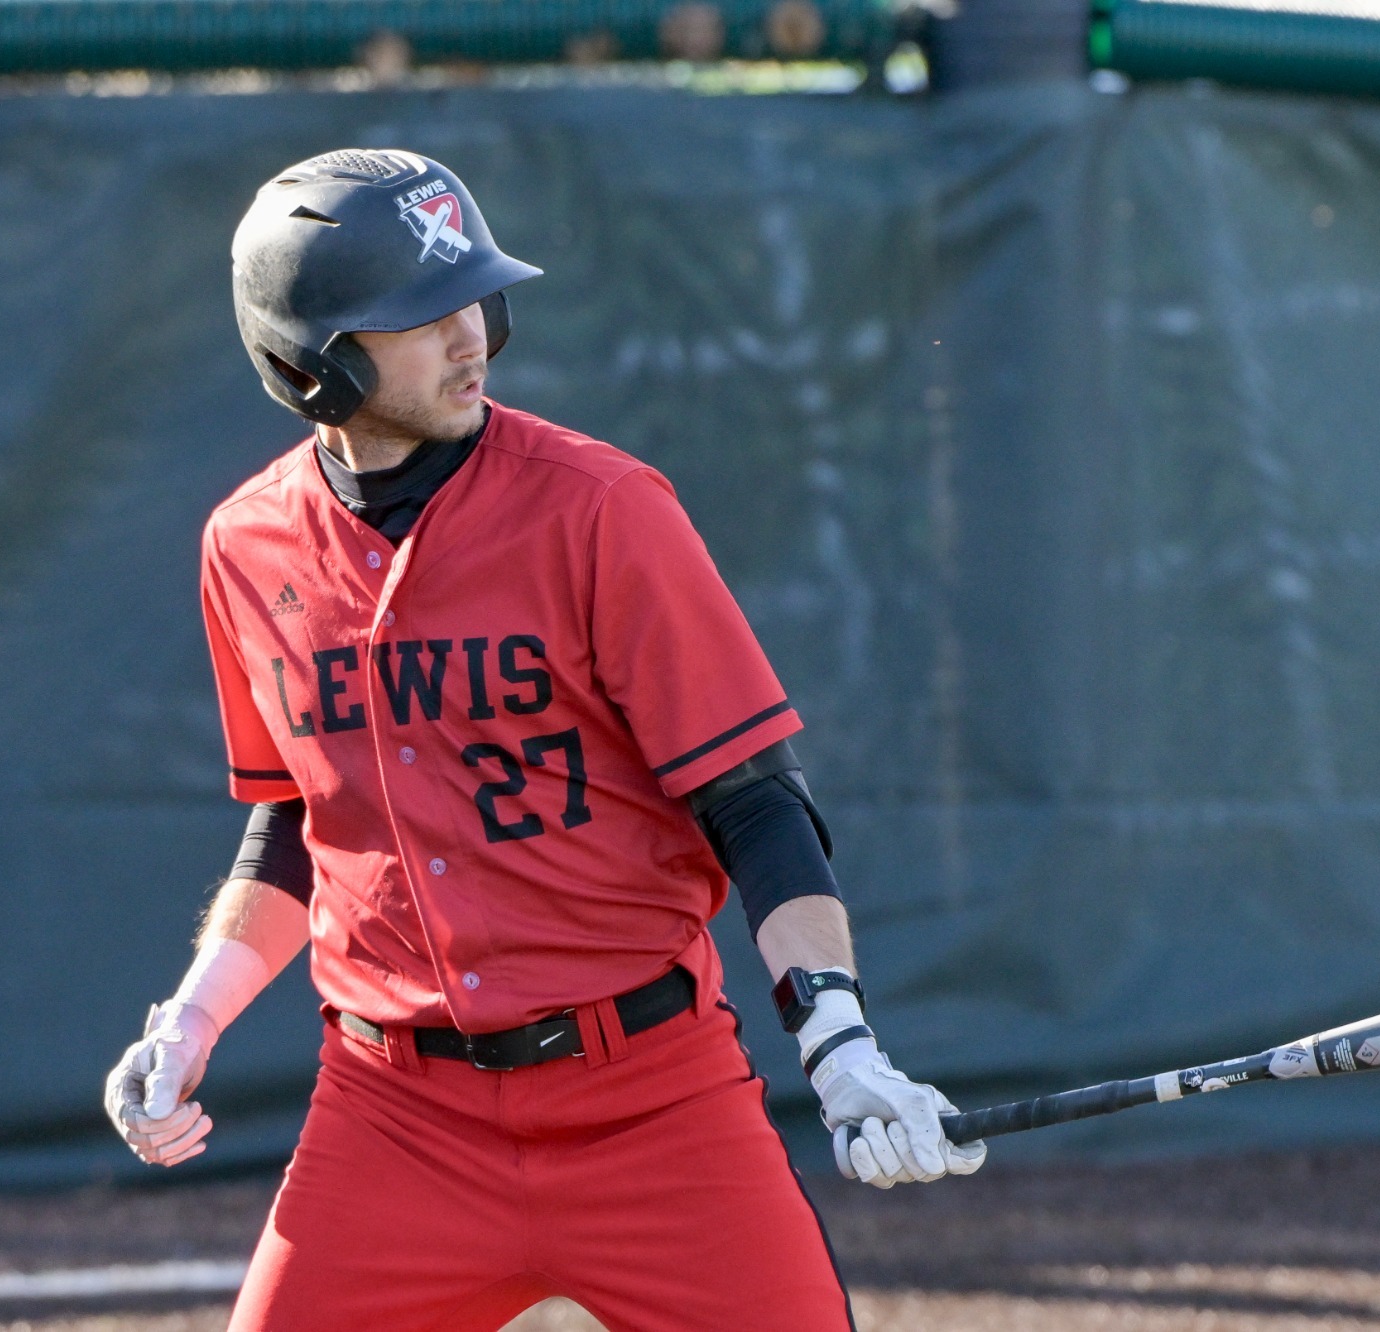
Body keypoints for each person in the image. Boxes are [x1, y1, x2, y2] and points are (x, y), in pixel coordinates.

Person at [101, 148, 983, 1332]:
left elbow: (756, 802)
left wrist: (837, 1040)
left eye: (477, 300)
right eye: (423, 315)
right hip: (393, 1117)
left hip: (651, 1102)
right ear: (308, 364)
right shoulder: (246, 544)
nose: (471, 337)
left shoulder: (602, 507)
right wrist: (190, 1017)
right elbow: (303, 825)